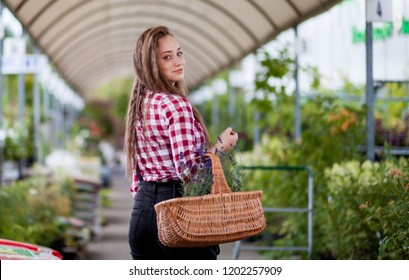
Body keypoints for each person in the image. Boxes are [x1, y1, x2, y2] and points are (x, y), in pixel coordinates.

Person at [124, 26, 238, 260]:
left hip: (142, 218)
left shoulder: (139, 105)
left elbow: (137, 181)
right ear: (150, 64)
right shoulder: (176, 105)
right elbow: (190, 171)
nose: (178, 61)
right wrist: (221, 147)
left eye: (179, 53)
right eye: (167, 57)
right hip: (178, 212)